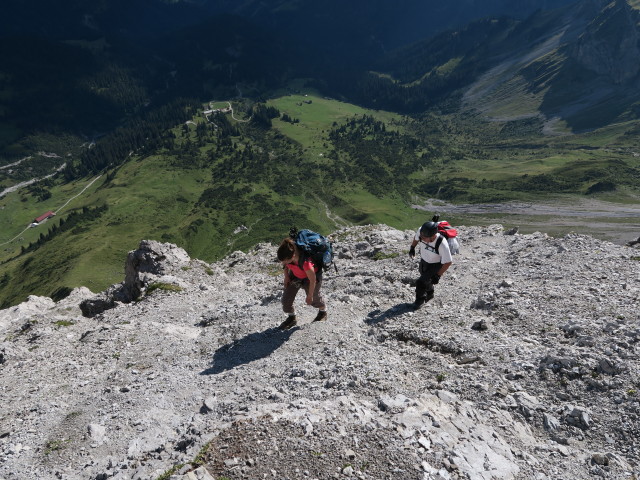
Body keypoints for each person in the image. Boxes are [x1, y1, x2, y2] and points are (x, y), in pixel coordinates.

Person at [276, 237, 327, 329]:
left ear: (292, 257)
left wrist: (310, 296)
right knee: (286, 300)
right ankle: (292, 318)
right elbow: (285, 265)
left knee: (314, 300)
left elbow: (313, 280)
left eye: (284, 260)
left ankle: (323, 311)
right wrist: (287, 277)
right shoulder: (288, 256)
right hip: (295, 276)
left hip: (309, 279)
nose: (282, 263)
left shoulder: (306, 263)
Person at [408, 221, 452, 309]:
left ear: (433, 236)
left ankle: (419, 301)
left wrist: (438, 275)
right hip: (424, 260)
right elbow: (416, 238)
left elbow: (448, 262)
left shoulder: (442, 243)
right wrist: (412, 248)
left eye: (424, 237)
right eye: (422, 236)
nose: (422, 238)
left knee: (420, 282)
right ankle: (430, 293)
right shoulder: (422, 232)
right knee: (423, 274)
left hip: (435, 264)